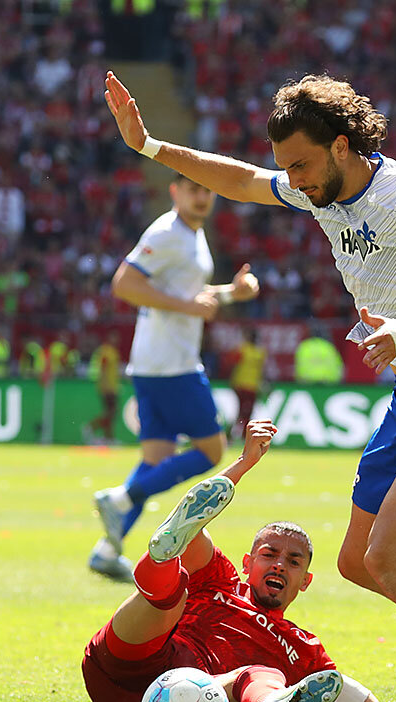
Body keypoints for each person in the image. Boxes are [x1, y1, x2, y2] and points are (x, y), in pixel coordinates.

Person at [105, 70, 396, 702]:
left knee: (391, 557)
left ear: (341, 146)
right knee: (359, 561)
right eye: (287, 168)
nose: (292, 181)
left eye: (299, 165)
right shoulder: (318, 189)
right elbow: (242, 179)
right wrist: (150, 146)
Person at [83, 420, 396, 702]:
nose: (279, 566)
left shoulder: (304, 651)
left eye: (292, 562)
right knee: (172, 581)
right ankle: (159, 563)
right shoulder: (221, 580)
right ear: (247, 563)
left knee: (259, 673)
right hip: (131, 663)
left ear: (305, 581)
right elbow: (193, 533)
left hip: (199, 699)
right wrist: (243, 463)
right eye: (269, 555)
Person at [89, 170, 261, 581]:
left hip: (153, 361)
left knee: (156, 460)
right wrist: (189, 308)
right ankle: (122, 498)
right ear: (175, 191)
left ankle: (107, 550)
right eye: (193, 189)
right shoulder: (167, 232)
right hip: (172, 363)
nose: (201, 197)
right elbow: (124, 285)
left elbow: (188, 294)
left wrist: (229, 292)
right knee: (212, 450)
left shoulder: (191, 234)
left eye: (207, 190)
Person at [228, 326, 266, 444]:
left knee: (244, 412)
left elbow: (232, 365)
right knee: (244, 412)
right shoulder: (259, 352)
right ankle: (237, 436)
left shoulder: (243, 349)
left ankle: (238, 437)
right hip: (247, 385)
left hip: (245, 385)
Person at [84, 333, 122, 445]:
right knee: (111, 412)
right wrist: (105, 385)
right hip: (107, 387)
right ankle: (91, 426)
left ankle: (108, 437)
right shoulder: (106, 351)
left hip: (112, 386)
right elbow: (103, 368)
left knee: (110, 413)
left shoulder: (111, 351)